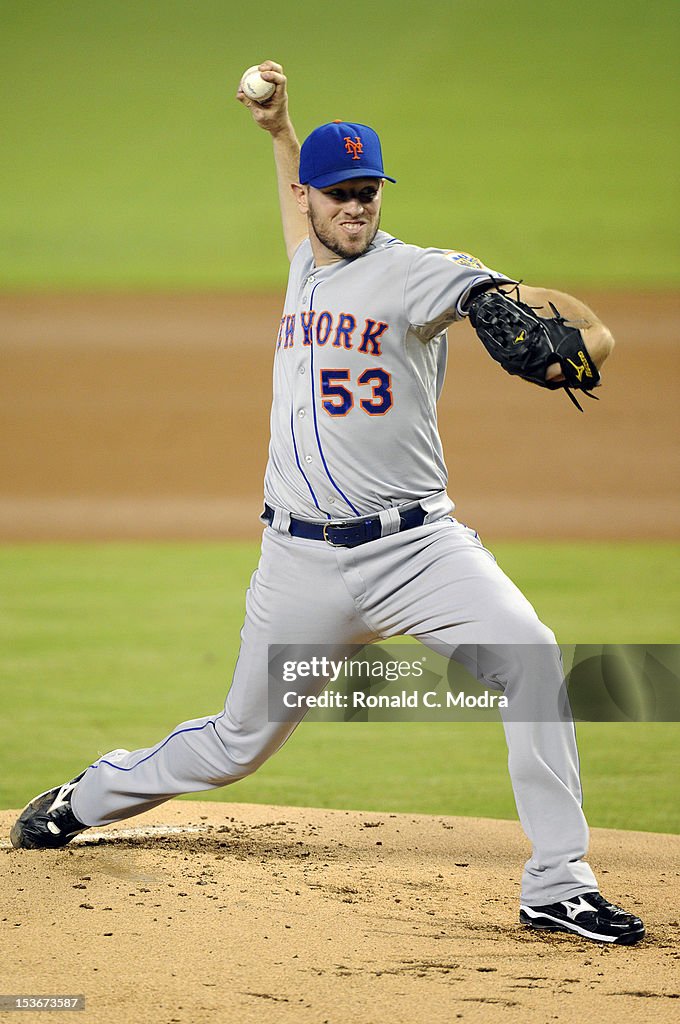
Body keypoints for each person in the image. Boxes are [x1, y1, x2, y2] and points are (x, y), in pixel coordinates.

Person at [11, 61, 644, 946]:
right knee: (236, 746)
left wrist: (546, 314)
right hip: (301, 566)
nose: (356, 207)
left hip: (419, 552)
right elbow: (297, 211)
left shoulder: (422, 273)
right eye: (340, 192)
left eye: (369, 192)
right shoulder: (305, 266)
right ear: (310, 196)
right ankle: (86, 797)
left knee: (531, 658)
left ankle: (557, 883)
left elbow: (572, 325)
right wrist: (278, 130)